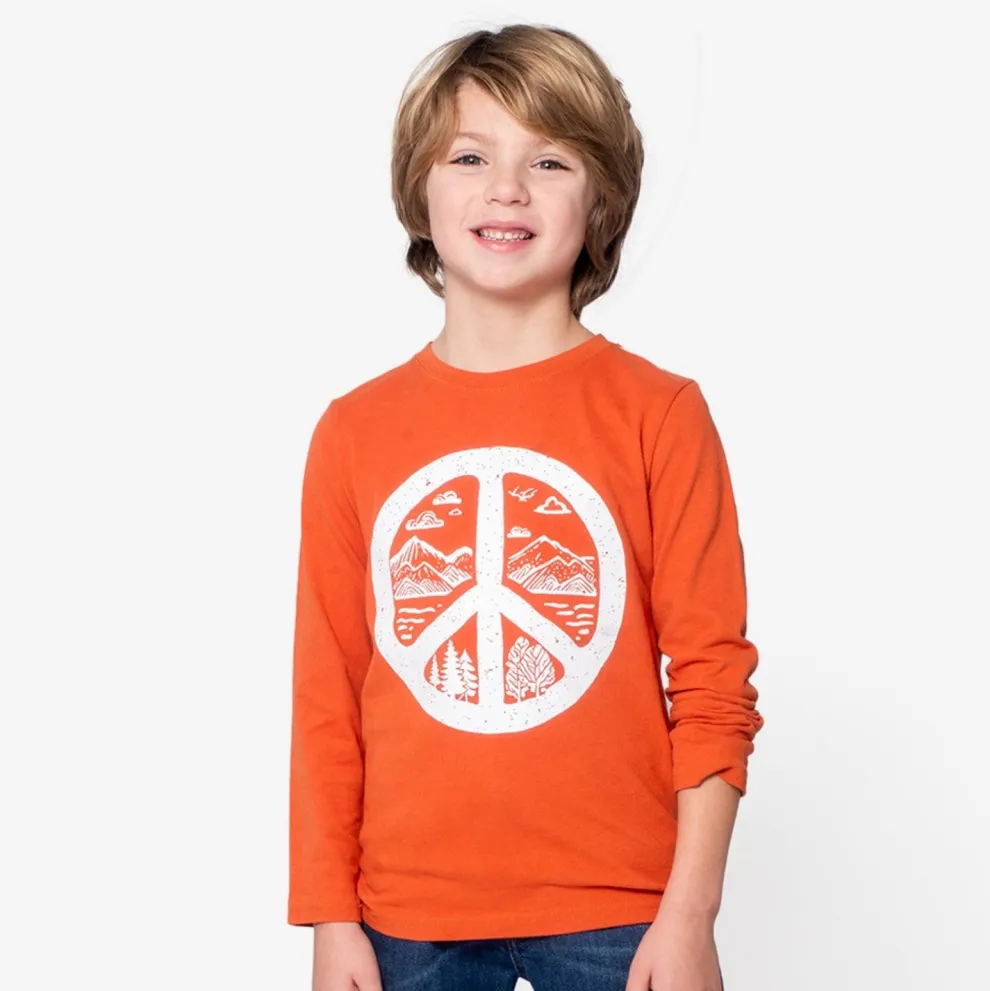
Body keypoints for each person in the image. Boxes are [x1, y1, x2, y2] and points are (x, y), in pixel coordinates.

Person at [287, 22, 764, 991]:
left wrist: (689, 915)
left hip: (623, 909)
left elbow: (713, 683)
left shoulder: (660, 414)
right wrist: (332, 918)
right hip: (404, 918)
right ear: (420, 191)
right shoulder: (352, 431)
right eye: (470, 156)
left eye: (549, 160)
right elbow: (327, 699)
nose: (506, 188)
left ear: (601, 201)